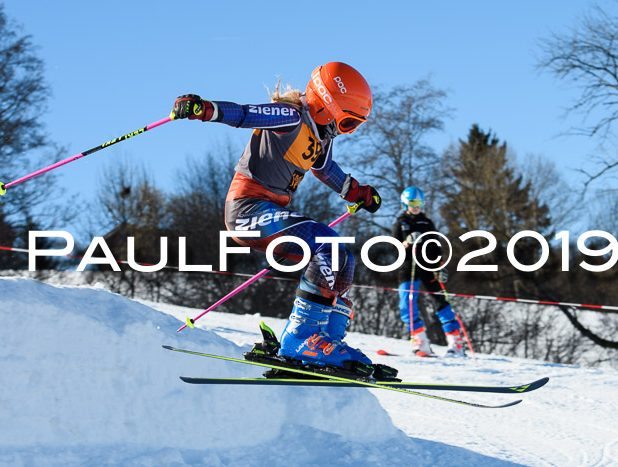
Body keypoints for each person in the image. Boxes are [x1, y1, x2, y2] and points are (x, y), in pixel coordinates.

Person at [171, 62, 382, 375]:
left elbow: (326, 170)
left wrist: (357, 192)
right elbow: (244, 115)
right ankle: (301, 340)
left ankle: (327, 341)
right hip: (247, 209)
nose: (345, 129)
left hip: (271, 210)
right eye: (348, 121)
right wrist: (204, 109)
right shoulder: (289, 116)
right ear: (327, 104)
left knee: (342, 258)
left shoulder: (321, 136)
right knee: (325, 244)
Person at [391, 186, 465, 357]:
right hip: (408, 268)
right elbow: (395, 250)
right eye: (413, 203)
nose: (416, 207)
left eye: (420, 203)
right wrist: (406, 243)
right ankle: (420, 342)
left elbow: (436, 247)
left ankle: (456, 343)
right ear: (405, 204)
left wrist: (440, 266)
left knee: (440, 301)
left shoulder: (427, 223)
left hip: (428, 267)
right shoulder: (400, 224)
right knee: (406, 304)